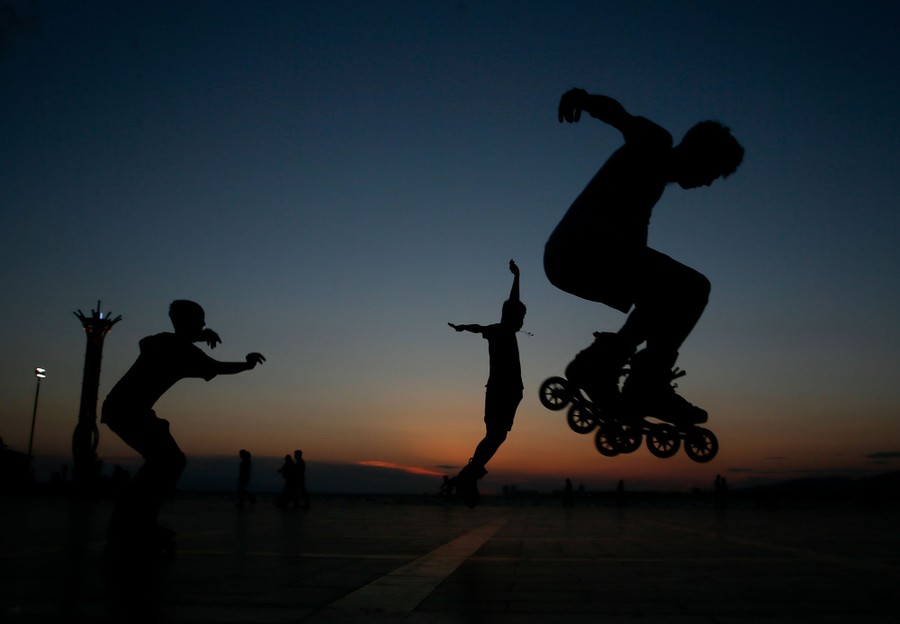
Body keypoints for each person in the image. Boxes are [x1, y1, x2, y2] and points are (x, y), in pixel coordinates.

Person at [545, 88, 744, 424]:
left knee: (666, 296)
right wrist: (584, 99)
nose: (709, 183)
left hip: (576, 257)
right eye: (713, 172)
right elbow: (620, 116)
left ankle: (604, 366)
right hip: (579, 249)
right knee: (692, 288)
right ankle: (643, 384)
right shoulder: (655, 145)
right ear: (701, 155)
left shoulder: (650, 189)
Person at [101, 300, 265, 554]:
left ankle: (136, 522)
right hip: (127, 411)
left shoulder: (164, 342)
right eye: (200, 320)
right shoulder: (181, 351)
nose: (204, 324)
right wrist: (248, 364)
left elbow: (147, 342)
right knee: (168, 461)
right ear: (188, 321)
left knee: (165, 462)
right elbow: (219, 368)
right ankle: (136, 523)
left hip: (123, 410)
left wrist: (196, 337)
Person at [448, 259, 526, 508]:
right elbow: (508, 305)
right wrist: (517, 277)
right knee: (495, 434)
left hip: (509, 391)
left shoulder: (500, 330)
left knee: (497, 435)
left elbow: (480, 324)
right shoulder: (500, 329)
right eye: (520, 319)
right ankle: (469, 476)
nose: (522, 324)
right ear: (511, 317)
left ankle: (470, 475)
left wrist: (462, 327)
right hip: (501, 390)